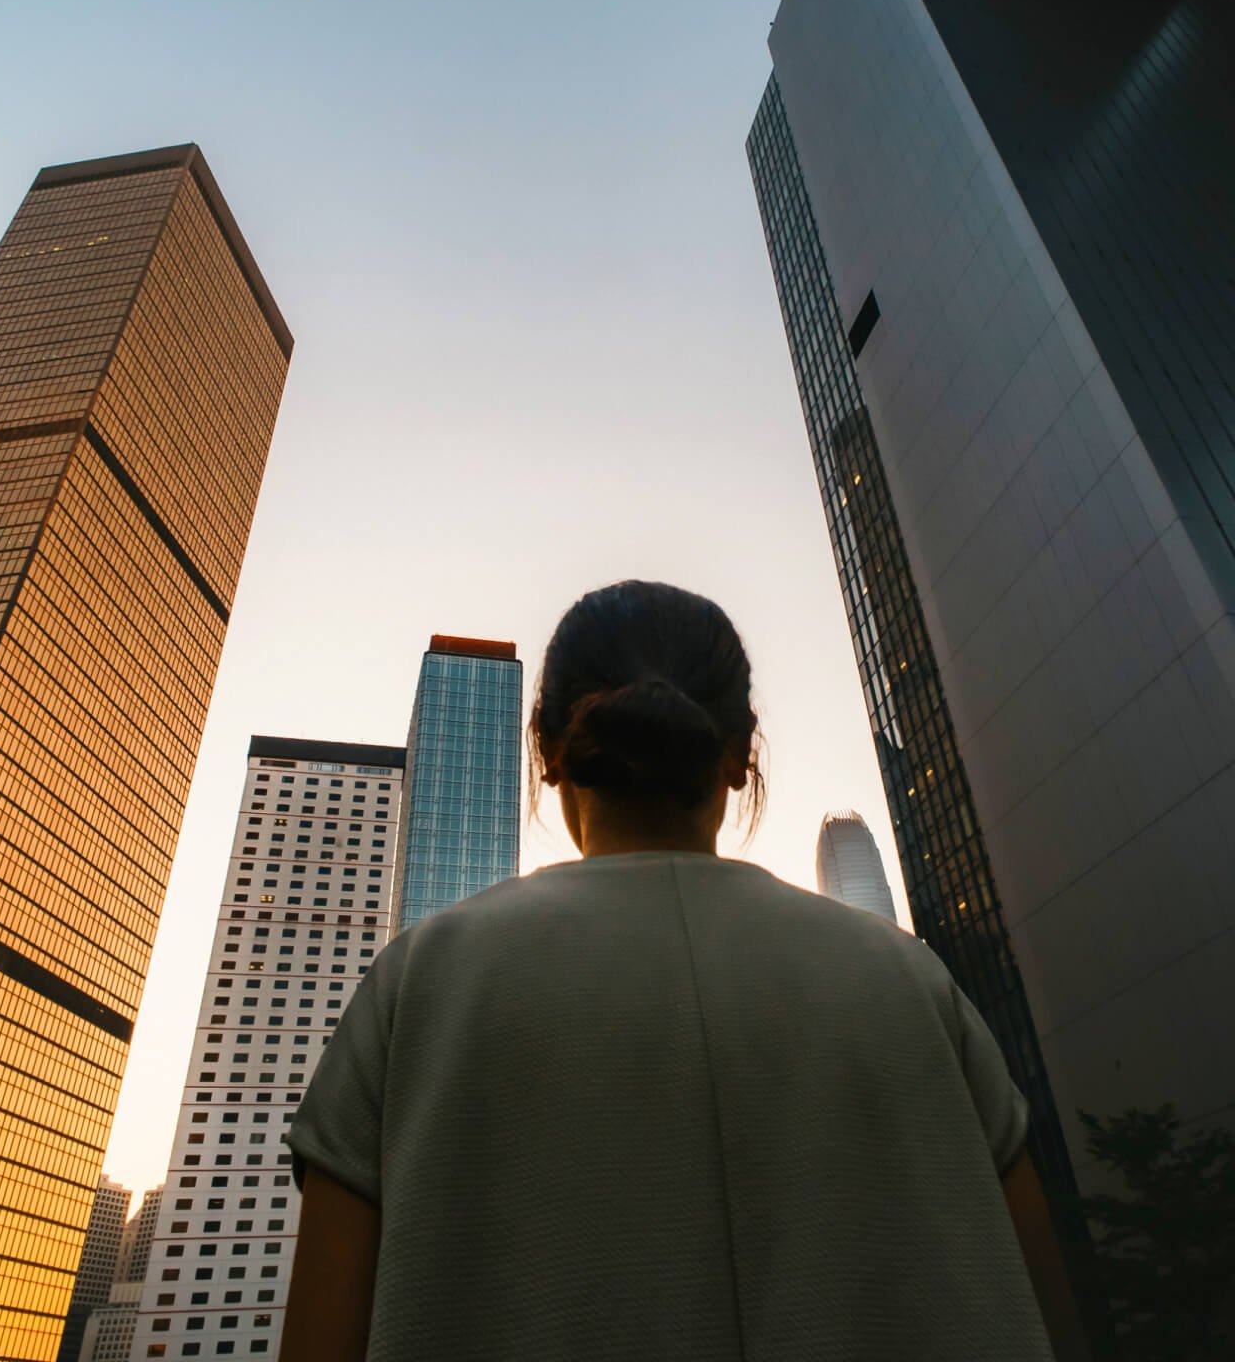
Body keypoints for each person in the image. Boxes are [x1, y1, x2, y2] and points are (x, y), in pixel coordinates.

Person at [280, 580, 1088, 1361]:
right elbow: (1052, 1315)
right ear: (741, 756)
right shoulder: (913, 982)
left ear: (548, 751)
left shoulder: (417, 982)